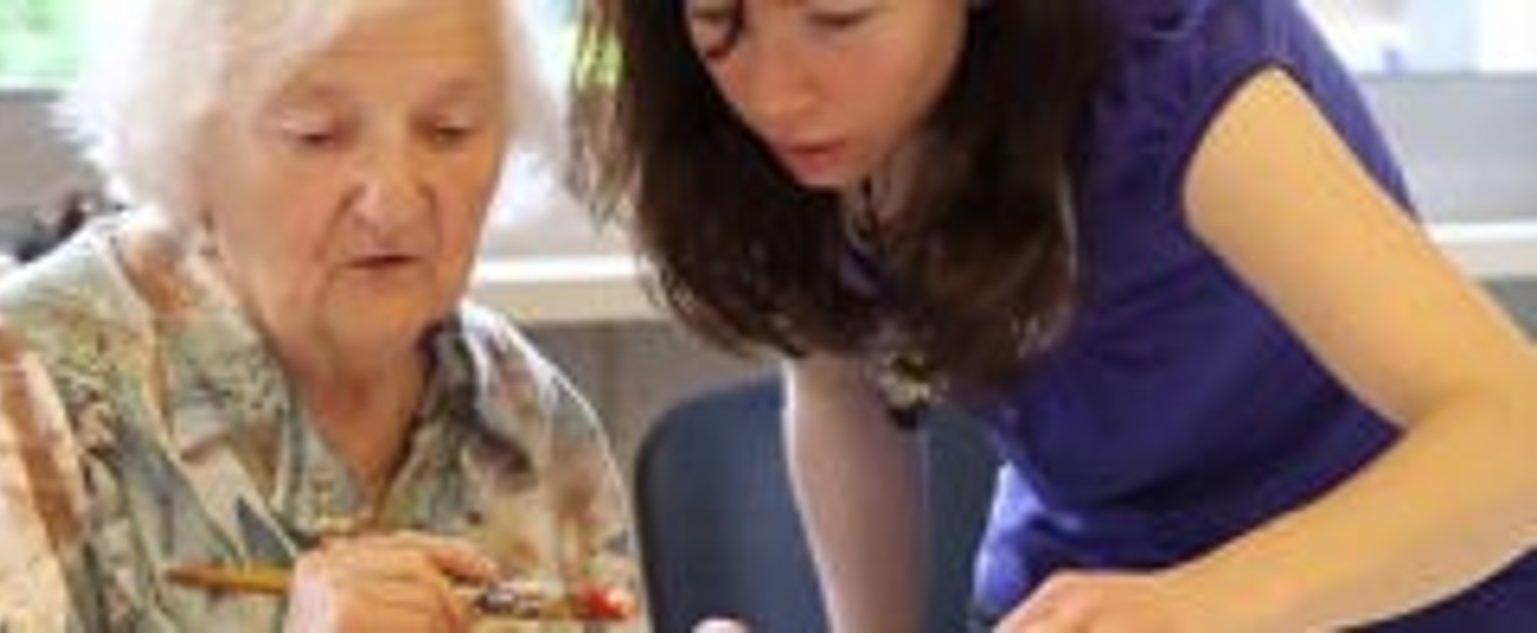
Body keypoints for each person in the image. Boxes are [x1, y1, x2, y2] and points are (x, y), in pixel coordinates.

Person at [574, 0, 1537, 630]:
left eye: (839, 12)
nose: (777, 96)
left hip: (1406, 584)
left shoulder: (1174, 65)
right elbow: (841, 388)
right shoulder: (764, 133)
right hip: (1084, 585)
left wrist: (1207, 607)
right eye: (720, 20)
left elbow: (1516, 436)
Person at [0, 0, 644, 629]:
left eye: (450, 130)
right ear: (189, 148)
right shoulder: (22, 379)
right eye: (318, 135)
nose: (394, 199)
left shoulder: (528, 414)